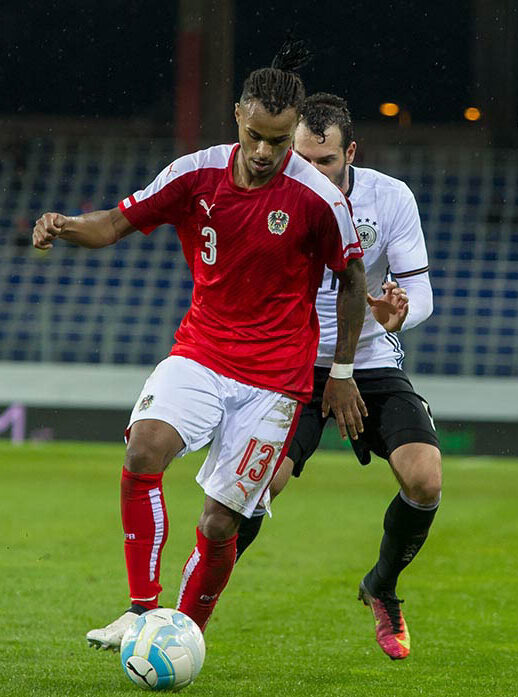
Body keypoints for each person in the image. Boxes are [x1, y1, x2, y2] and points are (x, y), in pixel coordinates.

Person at [31, 41, 368, 650]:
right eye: (257, 136)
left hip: (275, 380)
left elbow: (351, 279)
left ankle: (182, 635)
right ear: (238, 115)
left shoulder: (320, 200)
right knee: (144, 452)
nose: (266, 153)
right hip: (202, 353)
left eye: (281, 140)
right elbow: (112, 223)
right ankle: (141, 613)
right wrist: (64, 225)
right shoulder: (196, 172)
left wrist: (341, 370)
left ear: (293, 131)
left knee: (219, 524)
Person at [234, 93, 441, 661]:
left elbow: (419, 291)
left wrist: (400, 313)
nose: (311, 172)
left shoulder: (390, 197)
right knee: (254, 489)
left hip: (370, 361)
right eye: (300, 158)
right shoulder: (272, 192)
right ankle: (188, 611)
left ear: (350, 152)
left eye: (324, 162)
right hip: (293, 362)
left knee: (424, 480)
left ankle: (382, 586)